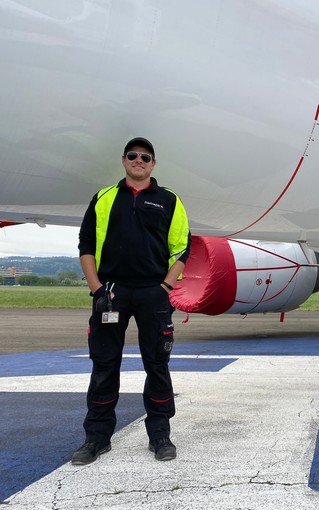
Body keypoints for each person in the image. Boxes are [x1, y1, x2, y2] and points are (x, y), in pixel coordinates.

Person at [72, 137, 191, 465]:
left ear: (153, 164)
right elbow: (85, 244)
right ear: (124, 160)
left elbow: (182, 248)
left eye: (146, 157)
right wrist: (97, 289)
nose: (139, 160)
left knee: (157, 364)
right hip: (111, 292)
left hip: (153, 292)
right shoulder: (104, 198)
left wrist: (165, 288)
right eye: (133, 155)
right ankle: (96, 438)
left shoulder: (169, 200)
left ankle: (160, 435)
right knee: (105, 364)